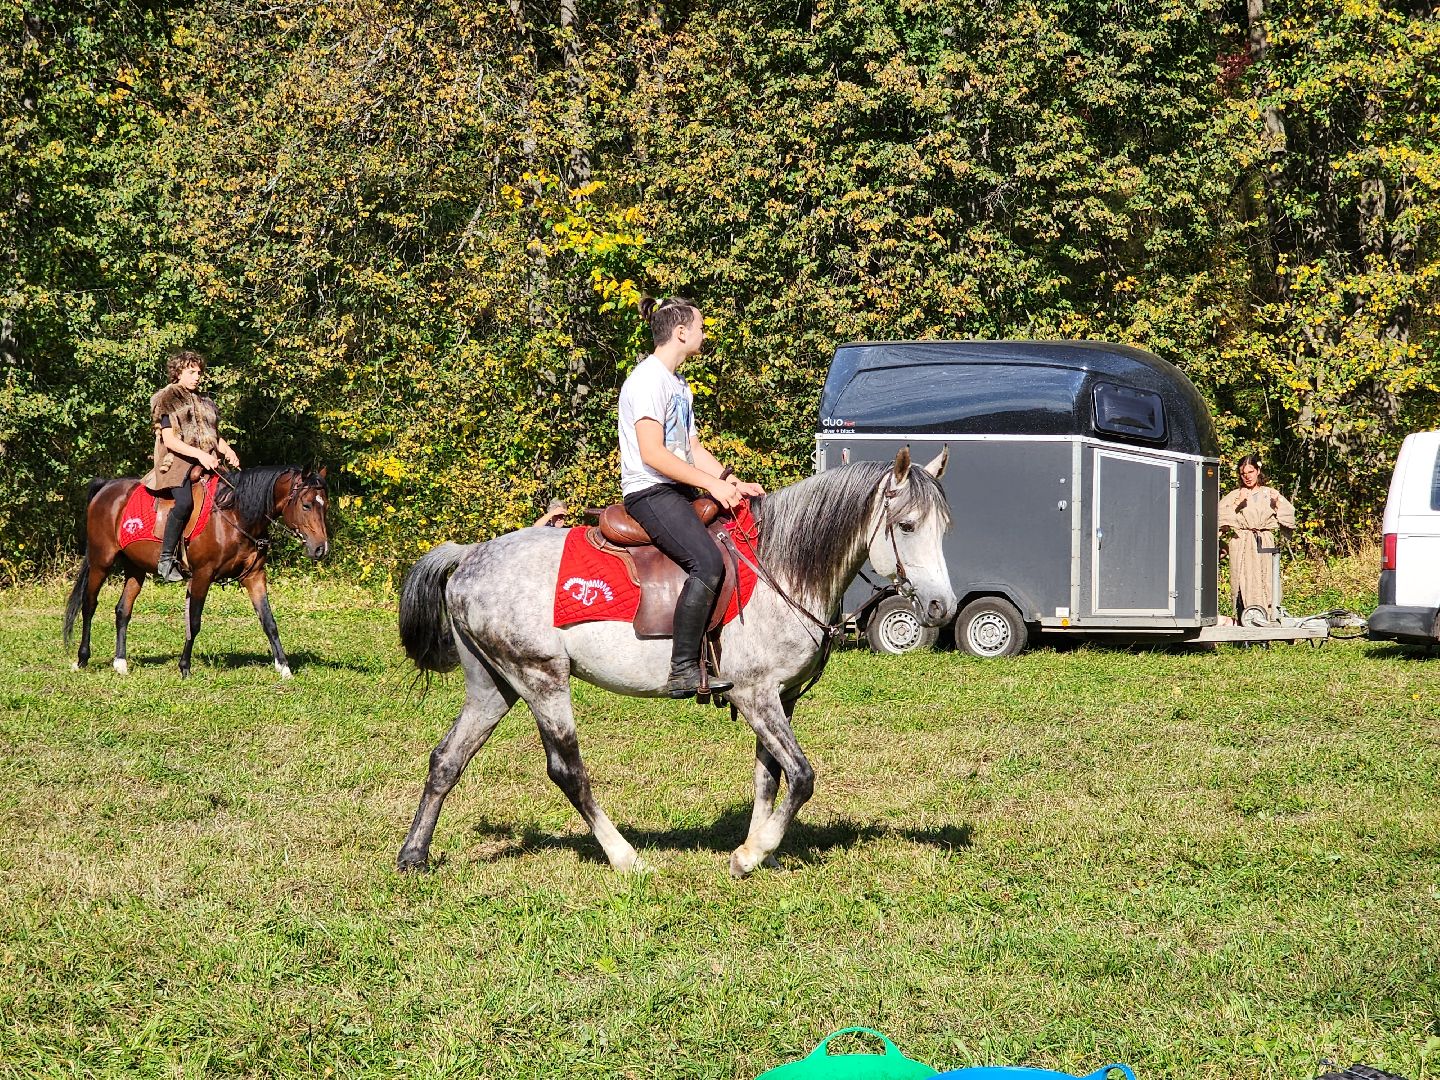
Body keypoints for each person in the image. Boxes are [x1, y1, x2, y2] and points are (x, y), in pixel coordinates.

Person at [618, 296, 765, 698]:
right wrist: (712, 486)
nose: (703, 333)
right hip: (650, 492)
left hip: (678, 487)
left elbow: (692, 448)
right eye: (700, 327)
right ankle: (682, 668)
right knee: (706, 560)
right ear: (681, 332)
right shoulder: (648, 381)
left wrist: (730, 482)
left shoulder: (679, 386)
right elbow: (653, 453)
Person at [143, 350, 240, 582]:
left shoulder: (205, 402)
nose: (197, 377)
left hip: (207, 461)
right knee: (185, 502)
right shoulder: (167, 399)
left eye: (199, 372)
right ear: (178, 373)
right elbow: (170, 440)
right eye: (191, 372)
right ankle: (166, 559)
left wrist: (228, 451)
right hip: (176, 463)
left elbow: (213, 436)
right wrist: (199, 455)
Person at [1217, 454, 1296, 621]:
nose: (1247, 476)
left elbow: (1289, 513)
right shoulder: (1236, 495)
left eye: (1250, 472)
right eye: (1243, 473)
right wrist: (1237, 504)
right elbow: (1219, 516)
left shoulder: (1270, 494)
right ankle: (1244, 626)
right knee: (1242, 582)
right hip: (1241, 542)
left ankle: (1266, 624)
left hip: (1263, 542)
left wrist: (1278, 506)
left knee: (1265, 582)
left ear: (1258, 471)